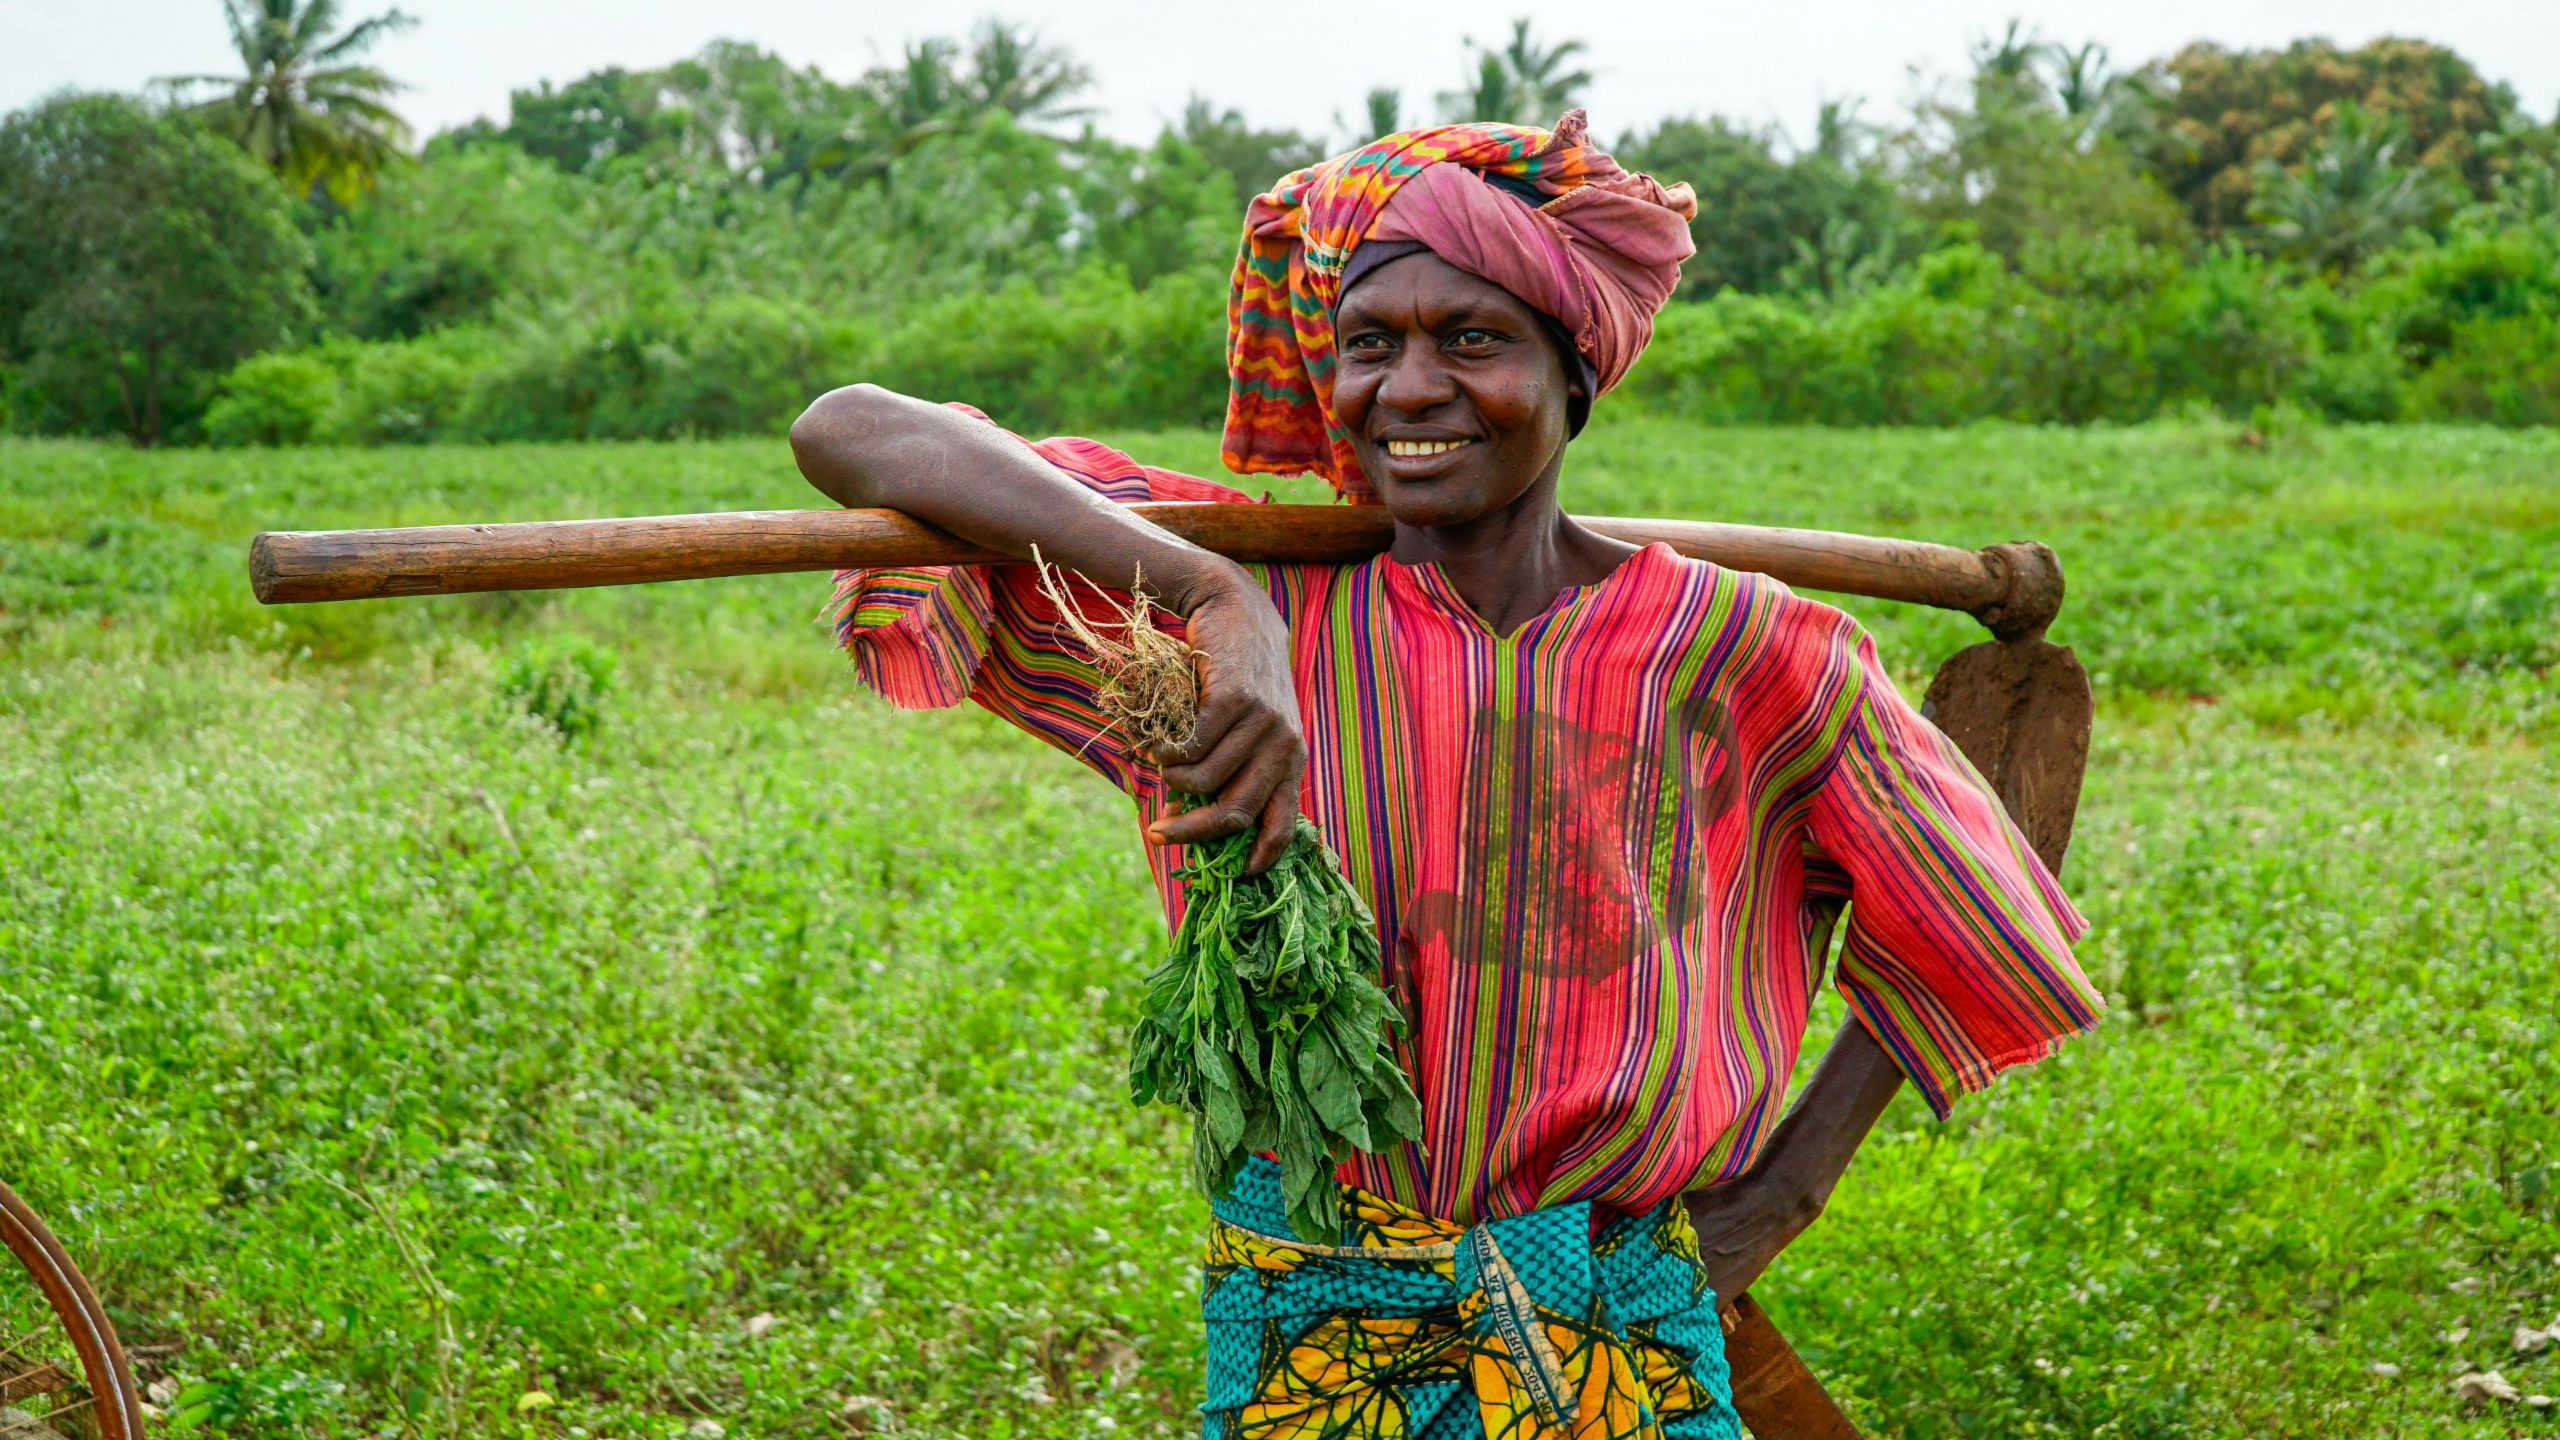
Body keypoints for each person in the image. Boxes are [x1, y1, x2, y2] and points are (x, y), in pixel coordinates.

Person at [790, 111, 2103, 1440]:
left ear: (1573, 375)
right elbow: (857, 430)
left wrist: (1782, 1192)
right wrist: (1214, 591)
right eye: (1373, 345)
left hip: (1615, 1304)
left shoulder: (1744, 648)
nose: (1408, 389)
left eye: (1472, 339)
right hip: (1319, 1299)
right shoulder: (1232, 627)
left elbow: (1974, 908)